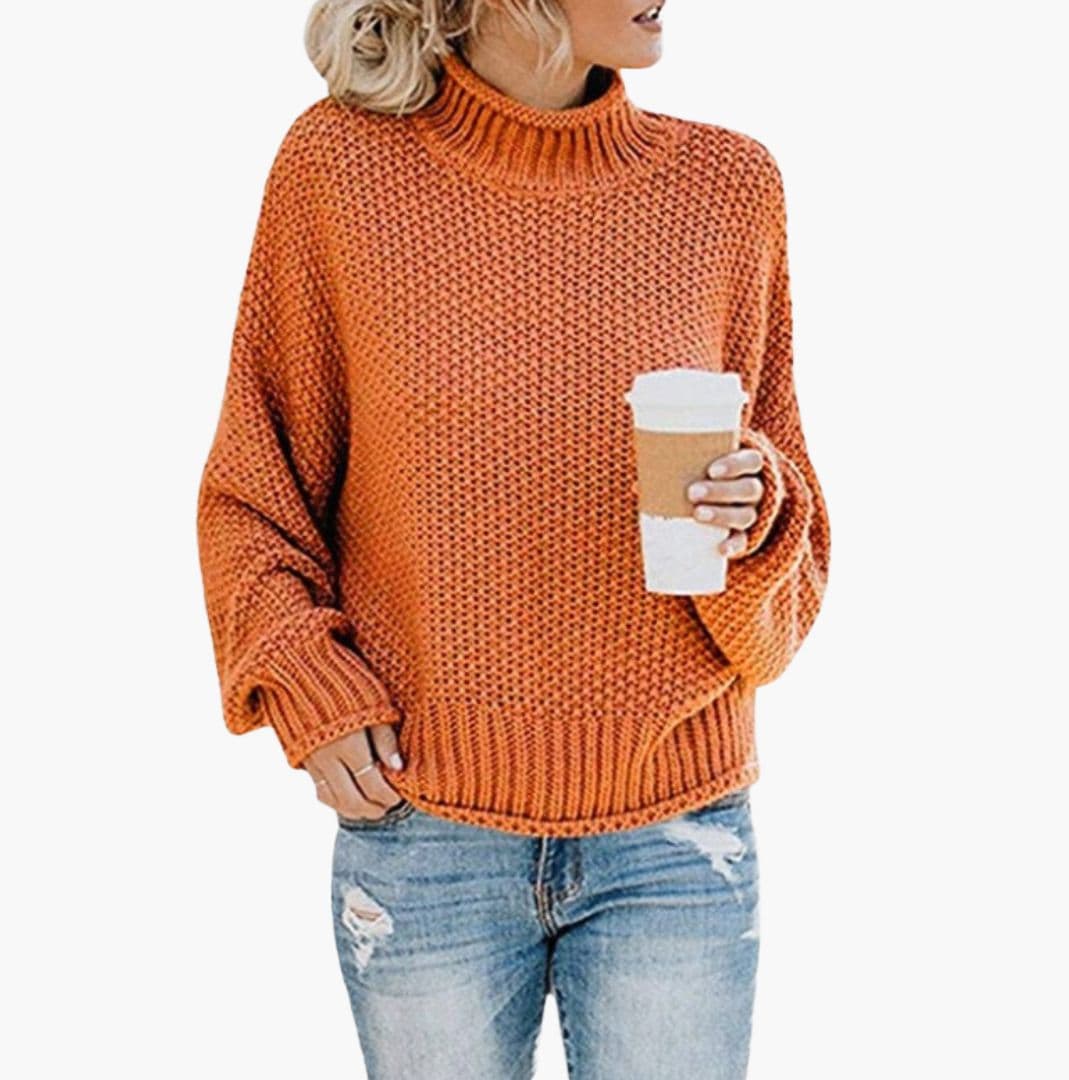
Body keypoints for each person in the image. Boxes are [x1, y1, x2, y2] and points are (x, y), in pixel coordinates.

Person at [195, 1, 831, 1076]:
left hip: (676, 838)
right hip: (424, 832)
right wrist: (305, 679)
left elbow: (786, 589)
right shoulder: (339, 168)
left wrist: (755, 517)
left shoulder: (728, 188)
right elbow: (255, 489)